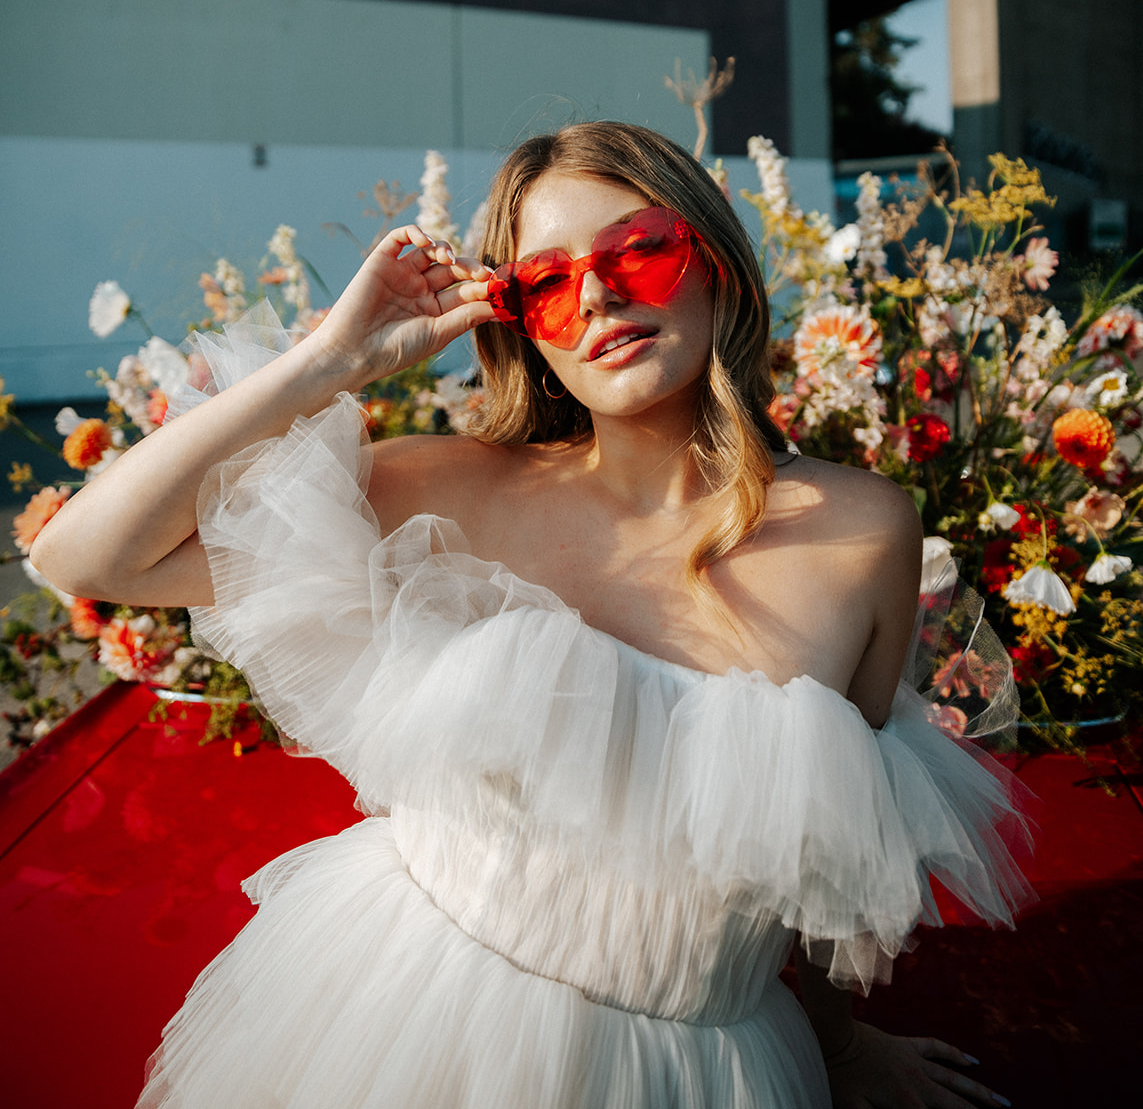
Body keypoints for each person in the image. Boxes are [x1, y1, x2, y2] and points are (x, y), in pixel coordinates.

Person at [34, 122, 1030, 1109]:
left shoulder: (863, 532)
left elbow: (836, 854)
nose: (597, 293)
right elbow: (82, 555)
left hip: (707, 1070)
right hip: (399, 1021)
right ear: (518, 323)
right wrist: (329, 363)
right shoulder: (448, 489)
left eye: (638, 250)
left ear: (714, 258)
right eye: (545, 282)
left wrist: (843, 1051)